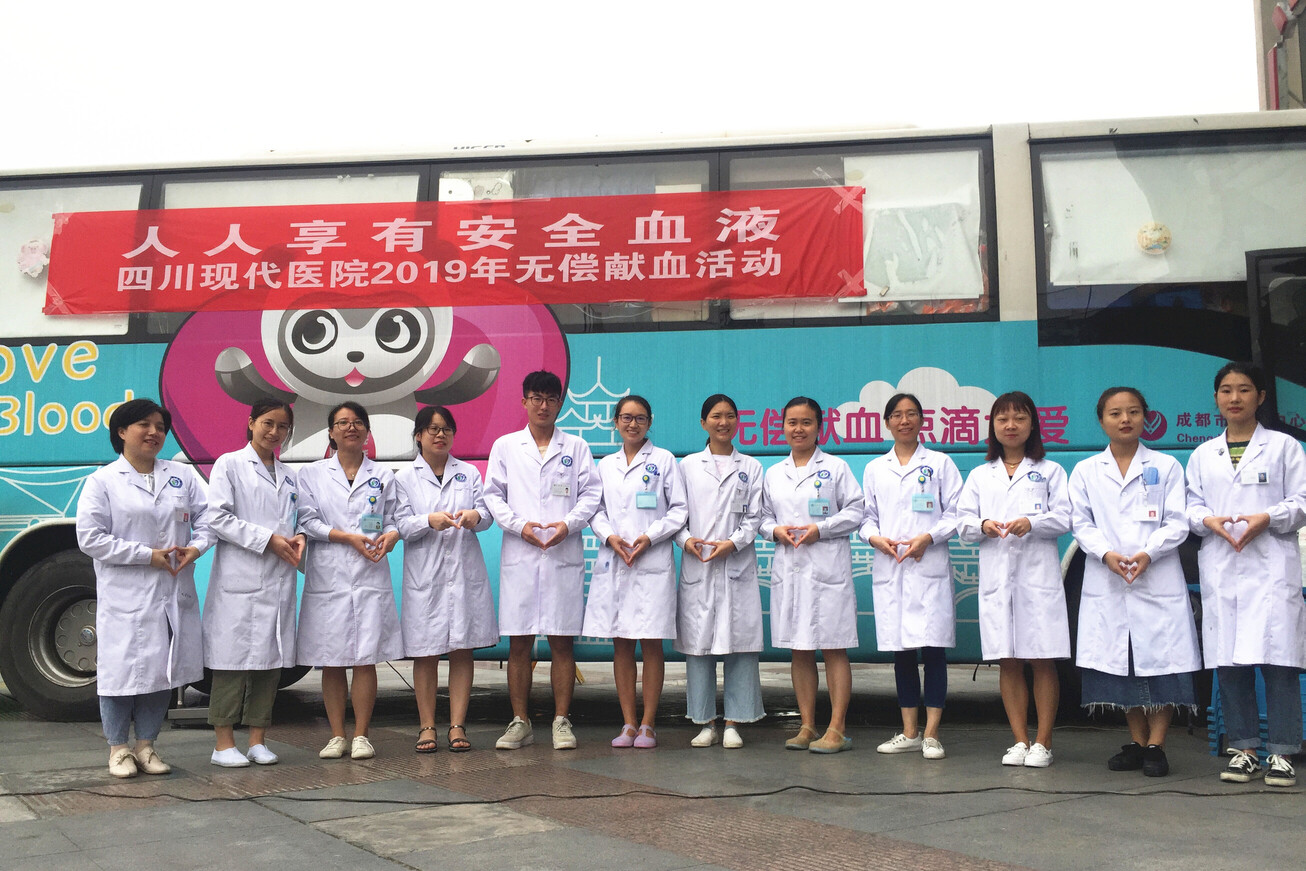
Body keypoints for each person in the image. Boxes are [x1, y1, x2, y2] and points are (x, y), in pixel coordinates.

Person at [1069, 387, 1201, 777]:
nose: (1125, 419)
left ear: (1146, 417)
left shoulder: (1167, 466)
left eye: (1133, 412)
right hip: (1108, 576)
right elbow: (1080, 523)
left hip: (1156, 574)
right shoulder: (1087, 470)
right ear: (1101, 421)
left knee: (1161, 661)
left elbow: (1177, 521)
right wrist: (1106, 553)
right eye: (1115, 413)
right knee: (1121, 659)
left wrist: (1149, 552)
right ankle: (1137, 742)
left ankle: (1157, 745)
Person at [76, 398, 211, 778]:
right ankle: (118, 749)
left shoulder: (180, 475)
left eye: (160, 427)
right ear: (121, 431)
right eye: (144, 425)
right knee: (119, 673)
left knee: (162, 671)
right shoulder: (103, 481)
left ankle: (147, 746)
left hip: (171, 591)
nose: (154, 433)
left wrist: (196, 547)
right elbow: (90, 538)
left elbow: (208, 519)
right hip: (126, 593)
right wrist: (146, 556)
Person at [1186, 362, 1306, 788]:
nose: (1234, 398)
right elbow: (1191, 506)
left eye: (1244, 389)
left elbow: (1302, 501)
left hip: (1271, 565)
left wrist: (1266, 518)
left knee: (1279, 664)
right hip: (1223, 566)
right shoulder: (1204, 454)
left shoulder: (1285, 447)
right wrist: (1209, 521)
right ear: (1216, 398)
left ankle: (1283, 753)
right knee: (1229, 663)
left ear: (1261, 396)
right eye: (1226, 390)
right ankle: (1244, 750)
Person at [484, 370, 602, 751]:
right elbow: (493, 496)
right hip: (521, 555)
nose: (543, 405)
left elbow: (591, 494)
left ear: (560, 404)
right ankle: (520, 721)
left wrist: (568, 525)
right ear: (524, 401)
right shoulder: (506, 446)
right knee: (519, 643)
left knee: (562, 643)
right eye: (536, 398)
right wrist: (520, 527)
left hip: (561, 553)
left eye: (551, 399)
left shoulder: (576, 447)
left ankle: (561, 720)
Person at [957, 391, 1071, 768]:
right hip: (997, 579)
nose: (1011, 425)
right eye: (1002, 419)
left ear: (1032, 424)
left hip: (1037, 578)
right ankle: (1020, 740)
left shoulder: (1050, 471)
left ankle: (1043, 742)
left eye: (1019, 418)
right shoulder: (980, 474)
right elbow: (963, 522)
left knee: (1041, 658)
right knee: (1007, 659)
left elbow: (1065, 517)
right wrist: (983, 525)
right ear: (992, 426)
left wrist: (1032, 523)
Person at [296, 401, 402, 761]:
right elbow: (307, 521)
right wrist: (346, 537)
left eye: (357, 422)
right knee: (332, 657)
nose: (350, 428)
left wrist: (392, 536)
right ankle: (337, 735)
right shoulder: (311, 474)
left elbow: (394, 518)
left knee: (365, 656)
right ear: (331, 432)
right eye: (342, 423)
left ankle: (361, 735)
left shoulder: (383, 474)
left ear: (367, 431)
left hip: (369, 571)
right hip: (329, 573)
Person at [203, 397, 305, 768]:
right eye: (267, 423)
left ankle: (258, 740)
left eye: (282, 426)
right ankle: (223, 744)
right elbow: (217, 518)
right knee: (231, 663)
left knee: (269, 663)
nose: (274, 432)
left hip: (278, 579)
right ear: (251, 423)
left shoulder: (290, 475)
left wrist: (300, 536)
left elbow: (300, 517)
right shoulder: (229, 464)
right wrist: (268, 540)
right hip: (241, 578)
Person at [861, 393, 962, 761]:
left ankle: (932, 734)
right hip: (892, 567)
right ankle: (909, 732)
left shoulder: (940, 463)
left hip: (928, 566)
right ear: (887, 422)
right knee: (901, 651)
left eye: (911, 414)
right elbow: (866, 517)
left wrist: (928, 538)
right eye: (897, 415)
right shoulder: (876, 468)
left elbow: (957, 513)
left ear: (922, 420)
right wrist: (875, 538)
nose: (904, 421)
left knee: (933, 650)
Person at [760, 396, 863, 754]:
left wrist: (822, 529)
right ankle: (807, 725)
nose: (798, 429)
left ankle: (837, 728)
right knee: (799, 649)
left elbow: (856, 511)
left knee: (834, 647)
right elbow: (761, 517)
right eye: (792, 422)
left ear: (819, 427)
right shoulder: (774, 473)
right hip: (790, 568)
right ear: (782, 427)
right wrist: (775, 531)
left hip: (827, 567)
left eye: (806, 422)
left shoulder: (836, 467)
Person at [585, 395, 688, 748]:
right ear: (615, 422)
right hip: (616, 558)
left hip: (651, 559)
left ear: (650, 422)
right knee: (622, 643)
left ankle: (648, 723)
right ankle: (628, 722)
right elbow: (595, 509)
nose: (633, 424)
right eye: (626, 418)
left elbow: (678, 510)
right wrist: (610, 537)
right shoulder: (605, 464)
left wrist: (649, 537)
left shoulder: (664, 460)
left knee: (652, 642)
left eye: (640, 418)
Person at [394, 405, 498, 753]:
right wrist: (428, 520)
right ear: (418, 436)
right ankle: (427, 726)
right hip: (425, 575)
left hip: (463, 572)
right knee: (425, 652)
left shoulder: (468, 473)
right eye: (433, 429)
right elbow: (400, 525)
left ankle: (457, 725)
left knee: (461, 649)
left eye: (446, 429)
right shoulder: (404, 478)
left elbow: (487, 515)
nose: (440, 435)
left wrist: (475, 516)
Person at [674, 394, 766, 749]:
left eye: (729, 416)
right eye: (715, 416)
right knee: (699, 648)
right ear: (703, 423)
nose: (723, 422)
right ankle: (705, 722)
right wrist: (686, 541)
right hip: (698, 562)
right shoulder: (687, 466)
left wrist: (733, 543)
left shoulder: (751, 467)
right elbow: (676, 513)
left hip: (735, 563)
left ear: (737, 421)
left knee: (739, 646)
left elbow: (755, 517)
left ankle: (733, 722)